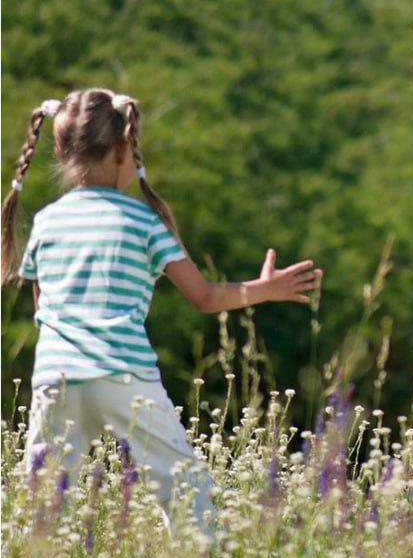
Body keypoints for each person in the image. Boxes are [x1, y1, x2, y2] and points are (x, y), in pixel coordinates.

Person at [1, 88, 323, 527]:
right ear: (121, 149)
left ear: (62, 152)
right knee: (190, 498)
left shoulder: (47, 222)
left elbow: (43, 308)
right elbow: (205, 297)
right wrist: (264, 289)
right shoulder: (144, 222)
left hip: (57, 376)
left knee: (41, 509)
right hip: (124, 376)